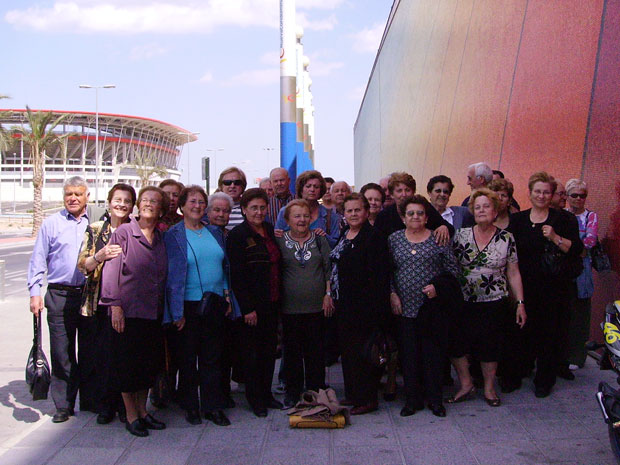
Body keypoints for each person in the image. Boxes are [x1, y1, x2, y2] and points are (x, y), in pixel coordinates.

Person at [506, 172, 583, 398]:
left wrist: (555, 237)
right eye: (537, 191)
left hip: (553, 288)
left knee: (549, 334)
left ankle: (544, 381)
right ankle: (516, 375)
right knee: (519, 331)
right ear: (529, 193)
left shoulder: (564, 220)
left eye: (546, 192)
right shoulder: (518, 220)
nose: (541, 196)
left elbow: (576, 250)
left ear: (552, 195)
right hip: (523, 286)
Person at [100, 186, 169, 437]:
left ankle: (143, 411)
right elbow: (111, 271)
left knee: (145, 367)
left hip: (152, 313)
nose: (150, 204)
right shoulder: (124, 233)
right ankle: (131, 415)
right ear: (139, 205)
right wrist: (115, 305)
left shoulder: (161, 237)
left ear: (161, 209)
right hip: (128, 312)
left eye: (155, 201)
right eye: (146, 200)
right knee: (127, 367)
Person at [449, 189, 526, 407]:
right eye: (478, 207)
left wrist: (520, 303)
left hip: (494, 300)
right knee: (457, 344)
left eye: (487, 206)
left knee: (490, 346)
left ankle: (490, 388)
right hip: (463, 299)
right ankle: (466, 384)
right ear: (472, 211)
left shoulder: (506, 238)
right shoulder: (460, 235)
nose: (482, 210)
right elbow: (449, 264)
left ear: (495, 210)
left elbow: (513, 272)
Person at [164, 186, 232, 427]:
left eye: (201, 202)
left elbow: (225, 266)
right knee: (187, 359)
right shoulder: (173, 235)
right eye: (192, 201)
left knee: (212, 359)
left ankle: (213, 407)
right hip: (187, 306)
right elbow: (171, 277)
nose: (197, 206)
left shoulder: (215, 232)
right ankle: (191, 406)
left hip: (213, 304)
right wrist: (176, 312)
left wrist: (226, 295)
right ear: (182, 206)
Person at [389, 195, 460, 418]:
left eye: (420, 213)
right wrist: (392, 294)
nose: (415, 217)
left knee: (433, 355)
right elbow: (388, 270)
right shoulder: (394, 239)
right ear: (403, 218)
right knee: (409, 356)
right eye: (410, 213)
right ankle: (412, 401)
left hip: (431, 309)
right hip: (404, 308)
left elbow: (454, 270)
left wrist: (438, 288)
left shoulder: (438, 238)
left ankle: (435, 400)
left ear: (427, 216)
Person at [27, 176, 91, 423]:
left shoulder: (95, 223)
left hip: (88, 295)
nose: (73, 198)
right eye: (68, 194)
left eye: (78, 194)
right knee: (62, 353)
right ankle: (63, 405)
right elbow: (38, 259)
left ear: (87, 196)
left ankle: (89, 399)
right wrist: (35, 293)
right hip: (58, 295)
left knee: (89, 350)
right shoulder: (51, 224)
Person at [77, 183, 136, 424]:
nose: (121, 204)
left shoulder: (136, 230)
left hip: (128, 302)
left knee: (124, 355)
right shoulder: (95, 229)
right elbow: (82, 265)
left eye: (127, 201)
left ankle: (126, 406)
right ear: (109, 201)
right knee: (102, 355)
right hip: (98, 302)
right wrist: (100, 255)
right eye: (117, 199)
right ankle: (105, 404)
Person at [330, 193, 390, 415]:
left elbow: (379, 277)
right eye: (349, 211)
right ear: (343, 214)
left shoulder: (373, 237)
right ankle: (353, 395)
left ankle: (367, 399)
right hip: (344, 303)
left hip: (364, 307)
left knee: (364, 354)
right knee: (349, 352)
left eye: (357, 210)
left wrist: (373, 310)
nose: (353, 214)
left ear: (366, 212)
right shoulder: (346, 233)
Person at [227, 188, 283, 417]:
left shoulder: (269, 230)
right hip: (253, 306)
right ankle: (255, 398)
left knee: (270, 351)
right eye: (254, 208)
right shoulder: (238, 236)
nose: (259, 212)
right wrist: (247, 308)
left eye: (262, 207)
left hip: (273, 300)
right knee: (252, 354)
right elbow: (237, 276)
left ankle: (267, 394)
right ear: (244, 210)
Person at [276, 199, 333, 408]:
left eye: (306, 216)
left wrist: (328, 293)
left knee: (315, 351)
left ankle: (315, 389)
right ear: (287, 220)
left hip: (317, 306)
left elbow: (328, 268)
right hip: (289, 307)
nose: (302, 220)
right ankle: (292, 391)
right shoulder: (280, 241)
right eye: (297, 216)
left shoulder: (319, 240)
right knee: (291, 352)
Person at [565, 178, 598, 370]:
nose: (579, 199)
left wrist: (566, 245)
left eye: (582, 195)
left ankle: (577, 356)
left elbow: (590, 241)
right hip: (565, 268)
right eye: (574, 195)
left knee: (580, 313)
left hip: (582, 270)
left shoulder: (590, 216)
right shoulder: (562, 215)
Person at [374, 172, 453, 244]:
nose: (404, 194)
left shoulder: (425, 208)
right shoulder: (384, 216)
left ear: (413, 192)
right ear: (391, 194)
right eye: (399, 191)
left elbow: (451, 230)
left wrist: (443, 227)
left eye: (407, 190)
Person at [275, 170, 342, 247]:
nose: (312, 190)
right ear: (301, 189)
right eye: (308, 186)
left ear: (321, 190)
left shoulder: (330, 216)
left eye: (316, 187)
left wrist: (324, 237)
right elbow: (277, 241)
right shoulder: (285, 211)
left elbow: (337, 245)